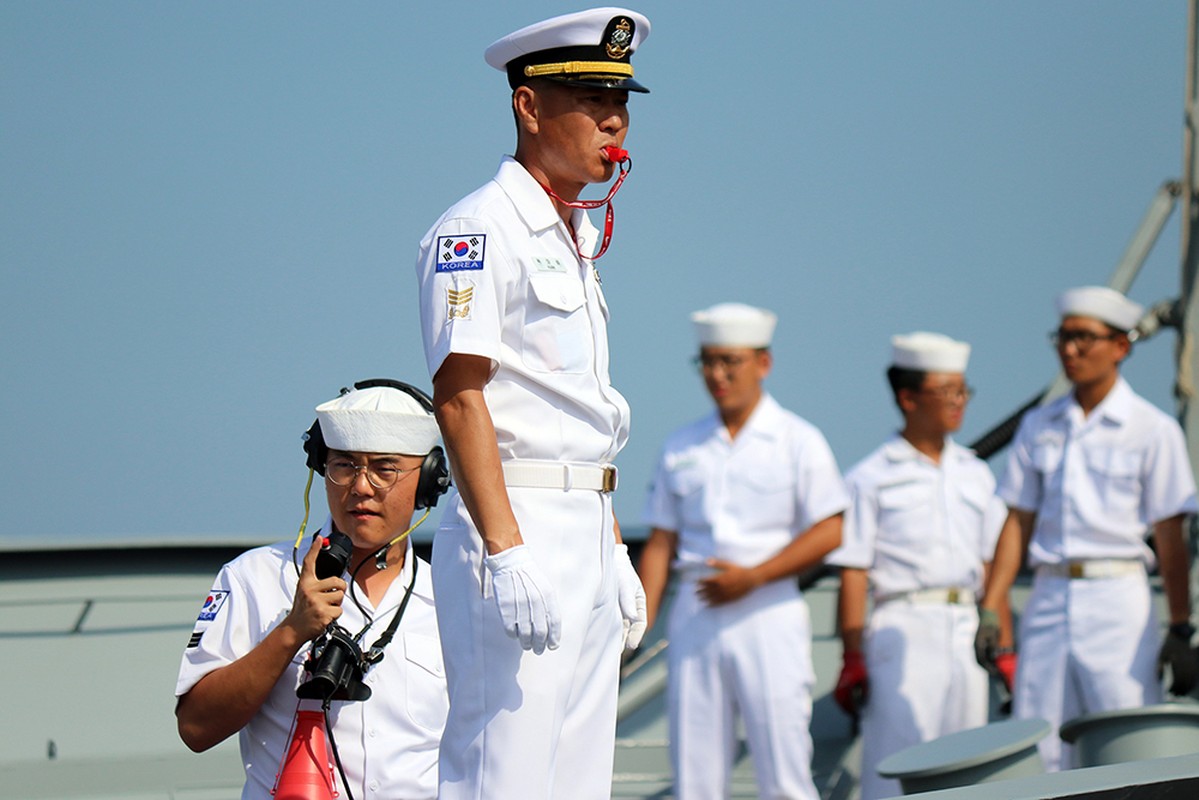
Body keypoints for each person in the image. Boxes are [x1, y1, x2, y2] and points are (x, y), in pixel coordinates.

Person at [413, 9, 651, 799]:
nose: (612, 117)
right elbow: (459, 399)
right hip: (516, 523)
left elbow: (576, 417)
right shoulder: (479, 229)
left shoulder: (570, 236)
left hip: (582, 523)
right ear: (529, 106)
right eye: (589, 97)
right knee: (502, 774)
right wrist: (508, 552)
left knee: (578, 782)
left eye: (619, 99)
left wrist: (612, 548)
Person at [175, 380, 450, 800]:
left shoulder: (453, 595)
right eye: (344, 465)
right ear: (322, 469)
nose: (361, 486)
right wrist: (291, 632)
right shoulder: (255, 577)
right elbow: (196, 728)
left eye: (384, 468)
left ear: (429, 482)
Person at [978, 286, 1199, 771]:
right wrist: (992, 608)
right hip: (1049, 595)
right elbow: (1016, 521)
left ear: (1121, 346)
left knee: (1122, 735)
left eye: (1083, 338)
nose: (1070, 350)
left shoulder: (1151, 429)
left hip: (1117, 596)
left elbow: (1169, 533)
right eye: (1063, 337)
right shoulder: (1040, 425)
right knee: (1040, 739)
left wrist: (1180, 626)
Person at [638, 302, 847, 800]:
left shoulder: (798, 440)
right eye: (707, 361)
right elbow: (661, 542)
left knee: (785, 764)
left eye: (729, 361)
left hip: (768, 609)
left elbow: (831, 529)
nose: (717, 374)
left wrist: (755, 576)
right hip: (696, 609)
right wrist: (638, 628)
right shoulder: (681, 445)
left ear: (763, 363)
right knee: (695, 769)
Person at [827, 332, 1008, 800]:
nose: (958, 402)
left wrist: (1004, 645)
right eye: (945, 391)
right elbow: (854, 570)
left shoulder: (976, 473)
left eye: (962, 390)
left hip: (967, 625)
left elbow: (992, 569)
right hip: (901, 626)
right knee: (896, 761)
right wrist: (852, 657)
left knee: (968, 763)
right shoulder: (871, 476)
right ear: (908, 397)